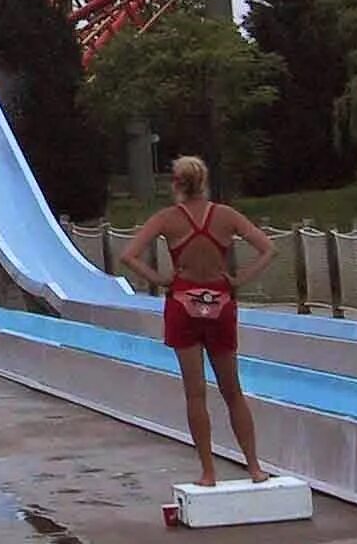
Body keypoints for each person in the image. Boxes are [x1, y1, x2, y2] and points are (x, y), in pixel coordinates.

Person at [119, 156, 275, 488]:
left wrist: (160, 279)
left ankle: (208, 471)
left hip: (183, 302)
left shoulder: (168, 219)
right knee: (233, 391)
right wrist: (239, 279)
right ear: (203, 181)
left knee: (195, 394)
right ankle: (254, 467)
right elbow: (268, 249)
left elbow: (128, 255)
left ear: (176, 184)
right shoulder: (225, 216)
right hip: (220, 301)